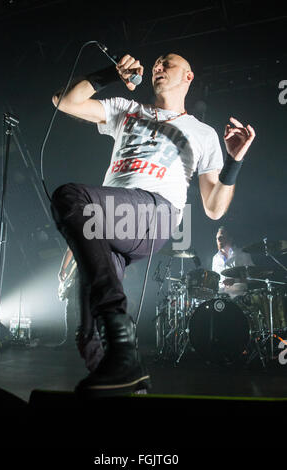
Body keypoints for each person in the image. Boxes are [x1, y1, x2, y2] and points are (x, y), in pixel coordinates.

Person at [50, 52, 256, 395]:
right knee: (88, 334)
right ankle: (128, 380)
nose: (158, 67)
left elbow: (214, 209)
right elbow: (64, 101)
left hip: (154, 214)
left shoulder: (202, 133)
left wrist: (234, 162)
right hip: (106, 222)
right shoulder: (126, 109)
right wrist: (109, 73)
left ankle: (120, 328)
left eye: (168, 64)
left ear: (188, 77)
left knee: (69, 197)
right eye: (157, 64)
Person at [212, 226, 254, 298]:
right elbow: (214, 281)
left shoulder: (243, 254)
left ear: (230, 239)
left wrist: (235, 281)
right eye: (217, 238)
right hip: (221, 298)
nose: (218, 240)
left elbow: (252, 277)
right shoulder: (215, 258)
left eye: (221, 237)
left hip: (239, 297)